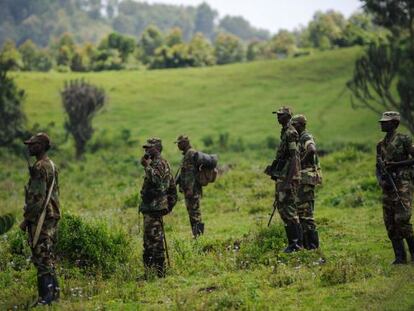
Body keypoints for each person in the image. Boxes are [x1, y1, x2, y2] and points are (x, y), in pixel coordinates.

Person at [20, 133, 60, 305]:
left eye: (33, 144)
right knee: (48, 254)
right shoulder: (51, 164)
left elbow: (37, 199)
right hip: (52, 215)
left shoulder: (39, 167)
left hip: (41, 217)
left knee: (41, 256)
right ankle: (54, 294)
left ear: (42, 146)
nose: (29, 147)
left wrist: (26, 220)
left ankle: (46, 298)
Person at [376, 111, 414, 264]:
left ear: (395, 123)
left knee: (402, 219)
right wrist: (381, 180)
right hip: (387, 188)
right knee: (390, 222)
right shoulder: (380, 145)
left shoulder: (404, 139)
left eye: (386, 122)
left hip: (402, 185)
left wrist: (396, 165)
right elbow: (377, 167)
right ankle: (400, 257)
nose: (382, 124)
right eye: (382, 122)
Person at [266, 107, 302, 253]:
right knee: (282, 208)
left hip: (289, 176)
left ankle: (296, 244)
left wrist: (289, 181)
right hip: (282, 176)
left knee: (289, 210)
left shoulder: (291, 133)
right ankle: (292, 243)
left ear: (287, 117)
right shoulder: (284, 132)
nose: (278, 118)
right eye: (277, 115)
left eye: (280, 115)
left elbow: (294, 157)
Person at [139, 138, 176, 277]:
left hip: (155, 209)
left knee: (156, 241)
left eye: (149, 148)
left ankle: (160, 273)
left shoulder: (160, 163)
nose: (146, 150)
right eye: (145, 148)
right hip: (150, 208)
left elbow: (159, 183)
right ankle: (149, 273)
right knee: (148, 242)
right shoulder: (155, 163)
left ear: (157, 148)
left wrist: (146, 167)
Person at [291, 115, 322, 250]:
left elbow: (312, 150)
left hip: (306, 179)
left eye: (294, 124)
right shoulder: (299, 138)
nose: (292, 127)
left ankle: (313, 248)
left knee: (306, 214)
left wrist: (300, 162)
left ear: (300, 125)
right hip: (302, 180)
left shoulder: (305, 137)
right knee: (301, 213)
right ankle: (306, 246)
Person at [175, 135, 204, 237]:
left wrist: (190, 189)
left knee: (195, 214)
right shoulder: (187, 154)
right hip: (190, 190)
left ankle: (199, 237)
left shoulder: (190, 153)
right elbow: (184, 172)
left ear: (184, 143)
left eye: (179, 143)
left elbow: (190, 173)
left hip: (192, 190)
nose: (178, 145)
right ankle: (197, 236)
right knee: (193, 213)